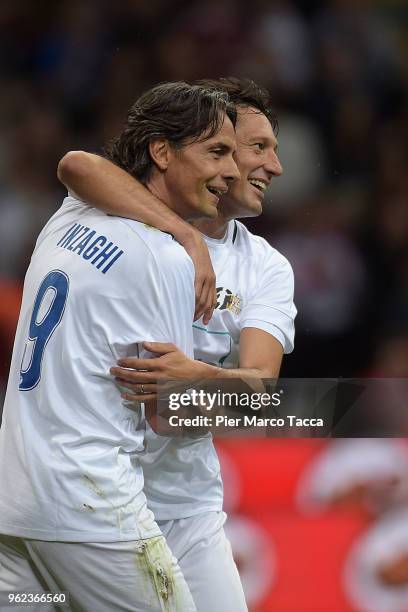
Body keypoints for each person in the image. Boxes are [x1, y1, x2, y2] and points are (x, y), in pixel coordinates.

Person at [58, 77, 296, 612]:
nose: (273, 167)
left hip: (186, 506)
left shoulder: (267, 267)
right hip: (92, 492)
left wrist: (198, 381)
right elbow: (76, 165)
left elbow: (261, 388)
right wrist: (188, 236)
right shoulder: (125, 216)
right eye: (256, 147)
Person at [0, 81, 239, 612]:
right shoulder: (167, 260)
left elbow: (77, 166)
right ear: (162, 151)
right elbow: (165, 414)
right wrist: (244, 395)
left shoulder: (70, 215)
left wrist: (185, 232)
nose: (231, 171)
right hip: (92, 516)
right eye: (216, 152)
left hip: (13, 511)